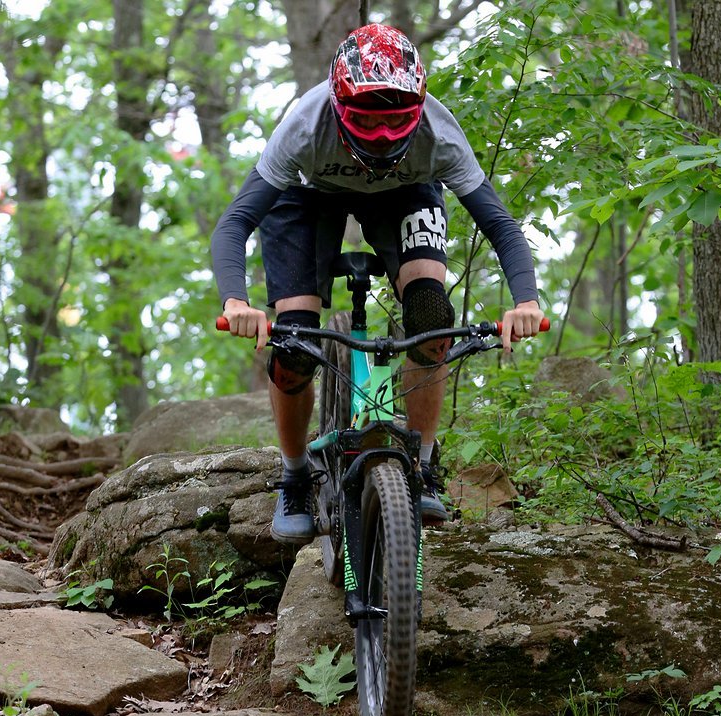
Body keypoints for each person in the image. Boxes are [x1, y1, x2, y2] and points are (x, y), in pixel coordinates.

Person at [212, 23, 544, 543]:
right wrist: (237, 300)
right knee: (296, 341)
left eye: (393, 121)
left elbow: (499, 224)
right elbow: (236, 223)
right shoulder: (304, 123)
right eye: (367, 120)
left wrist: (526, 299)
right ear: (340, 105)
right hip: (308, 195)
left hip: (404, 192)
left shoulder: (439, 133)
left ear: (417, 106)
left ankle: (424, 464)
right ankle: (295, 475)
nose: (383, 135)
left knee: (431, 318)